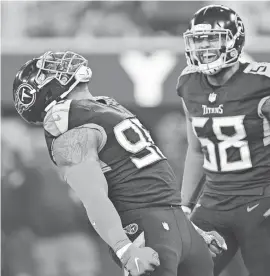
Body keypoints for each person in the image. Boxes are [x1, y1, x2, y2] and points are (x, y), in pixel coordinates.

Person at [12, 51, 227, 276]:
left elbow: (153, 179)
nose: (57, 65)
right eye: (44, 74)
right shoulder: (66, 123)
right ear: (40, 93)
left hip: (175, 221)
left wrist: (191, 229)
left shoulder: (105, 106)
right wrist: (123, 248)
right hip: (146, 226)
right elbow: (93, 195)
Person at [177, 4, 270, 276]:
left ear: (234, 40)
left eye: (213, 38)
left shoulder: (261, 84)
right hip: (214, 203)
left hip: (260, 199)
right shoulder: (188, 83)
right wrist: (184, 205)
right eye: (198, 39)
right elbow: (196, 150)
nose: (204, 47)